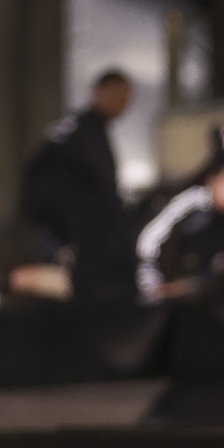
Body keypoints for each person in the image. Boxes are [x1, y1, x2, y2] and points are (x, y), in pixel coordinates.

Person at [18, 69, 136, 303]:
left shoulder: (76, 127)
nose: (122, 103)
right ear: (98, 92)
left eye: (126, 97)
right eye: (117, 94)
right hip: (63, 229)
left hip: (53, 224)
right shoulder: (87, 131)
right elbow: (105, 189)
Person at [134, 125, 224, 302]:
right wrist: (150, 287)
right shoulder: (191, 199)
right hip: (144, 284)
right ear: (212, 179)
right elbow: (148, 240)